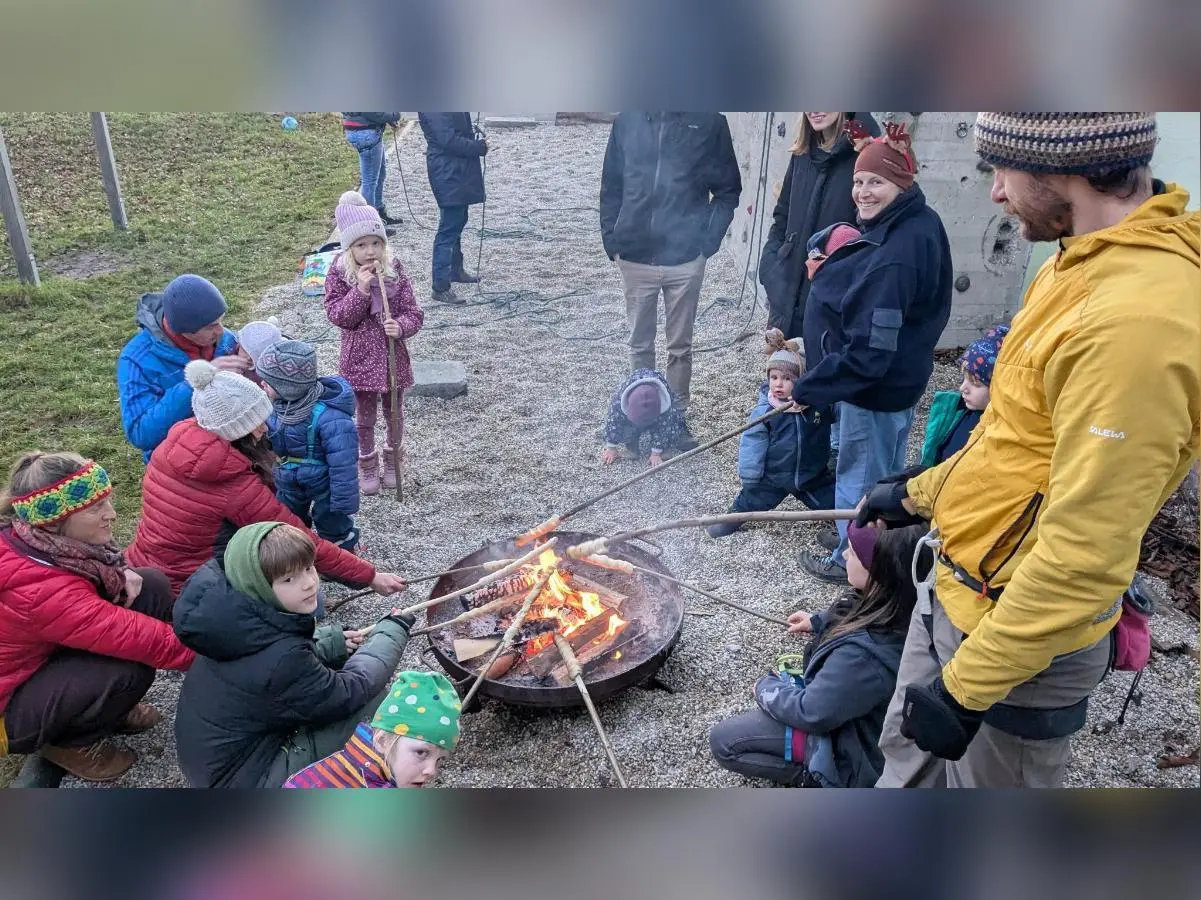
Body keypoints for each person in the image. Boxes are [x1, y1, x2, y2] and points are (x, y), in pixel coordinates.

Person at [859, 112, 1199, 789]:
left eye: (1000, 171)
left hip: (1018, 642)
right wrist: (918, 492)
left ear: (1061, 169)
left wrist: (964, 690)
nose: (993, 194)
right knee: (903, 774)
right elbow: (1013, 441)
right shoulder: (1069, 263)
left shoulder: (1137, 324)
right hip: (956, 589)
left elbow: (1083, 556)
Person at [792, 121, 953, 583]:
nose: (863, 192)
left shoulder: (896, 254)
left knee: (861, 474)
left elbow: (869, 354)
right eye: (859, 181)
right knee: (882, 472)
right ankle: (861, 535)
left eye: (876, 182)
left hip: (875, 389)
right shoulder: (916, 221)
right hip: (901, 378)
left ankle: (853, 556)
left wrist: (812, 387)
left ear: (901, 184)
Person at [125, 358, 407, 599]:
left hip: (146, 564)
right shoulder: (232, 486)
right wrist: (370, 576)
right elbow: (298, 537)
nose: (265, 427)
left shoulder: (176, 443)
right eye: (258, 421)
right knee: (305, 605)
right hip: (190, 587)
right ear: (240, 430)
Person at [0, 452, 194, 782]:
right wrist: (225, 657)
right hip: (10, 706)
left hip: (36, 662)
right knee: (129, 669)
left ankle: (105, 711)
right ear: (55, 521)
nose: (112, 515)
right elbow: (143, 639)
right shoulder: (42, 589)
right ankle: (69, 743)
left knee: (150, 586)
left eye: (108, 501)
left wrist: (120, 573)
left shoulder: (40, 543)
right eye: (95, 509)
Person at [172, 522, 413, 787]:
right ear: (259, 585)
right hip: (245, 780)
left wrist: (331, 643)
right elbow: (349, 691)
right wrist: (392, 630)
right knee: (379, 703)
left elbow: (271, 663)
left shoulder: (233, 618)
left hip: (215, 765)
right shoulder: (282, 659)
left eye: (309, 568)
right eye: (289, 579)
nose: (309, 584)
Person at [709, 524, 930, 787]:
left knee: (724, 741)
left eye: (854, 553)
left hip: (854, 748)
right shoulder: (898, 601)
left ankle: (822, 776)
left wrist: (765, 688)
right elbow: (850, 606)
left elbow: (810, 712)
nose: (845, 555)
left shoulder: (863, 658)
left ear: (879, 574)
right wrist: (818, 621)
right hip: (856, 714)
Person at [599, 112, 743, 409]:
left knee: (680, 347)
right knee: (639, 345)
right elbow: (611, 185)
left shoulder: (709, 123)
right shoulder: (627, 120)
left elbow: (728, 190)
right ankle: (642, 411)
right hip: (634, 255)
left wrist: (706, 243)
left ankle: (675, 414)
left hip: (685, 258)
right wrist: (612, 239)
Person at [323, 191, 425, 495]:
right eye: (362, 245)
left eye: (376, 243)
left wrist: (402, 327)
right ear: (349, 248)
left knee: (394, 412)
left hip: (394, 357)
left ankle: (394, 460)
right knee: (363, 418)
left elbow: (414, 312)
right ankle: (366, 463)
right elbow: (339, 316)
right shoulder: (339, 273)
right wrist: (362, 292)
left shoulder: (395, 269)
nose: (370, 251)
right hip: (359, 361)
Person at [760, 112, 881, 341]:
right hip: (785, 294)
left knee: (817, 373)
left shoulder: (865, 155)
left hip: (830, 303)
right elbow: (782, 214)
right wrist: (770, 268)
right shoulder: (803, 151)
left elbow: (872, 235)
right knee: (782, 372)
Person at [706, 329, 834, 538]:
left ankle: (841, 525)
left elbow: (838, 418)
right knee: (750, 500)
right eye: (773, 377)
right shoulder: (767, 410)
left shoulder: (818, 405)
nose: (778, 383)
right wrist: (750, 474)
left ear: (803, 380)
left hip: (812, 474)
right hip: (774, 475)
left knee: (833, 502)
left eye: (787, 378)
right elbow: (753, 440)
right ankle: (729, 521)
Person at [117, 274, 247, 461]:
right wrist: (195, 382)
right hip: (183, 456)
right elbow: (140, 434)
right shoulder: (137, 361)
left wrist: (247, 353)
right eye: (212, 326)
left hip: (232, 439)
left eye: (221, 321)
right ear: (183, 329)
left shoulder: (223, 339)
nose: (221, 331)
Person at [257, 340, 360, 551]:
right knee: (288, 521)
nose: (261, 385)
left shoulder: (330, 417)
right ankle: (299, 555)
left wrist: (343, 502)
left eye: (267, 382)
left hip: (324, 484)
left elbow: (344, 463)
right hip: (287, 479)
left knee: (331, 522)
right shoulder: (273, 408)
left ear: (288, 387)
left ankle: (342, 555)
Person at [284, 670, 461, 788]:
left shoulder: (366, 767)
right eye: (422, 752)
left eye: (440, 760)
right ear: (383, 740)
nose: (431, 771)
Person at [417, 112, 487, 305]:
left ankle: (455, 270)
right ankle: (440, 286)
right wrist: (478, 147)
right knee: (449, 227)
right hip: (447, 169)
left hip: (455, 168)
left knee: (459, 219)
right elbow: (447, 140)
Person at [919, 324, 1008, 468]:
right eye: (964, 378)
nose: (962, 388)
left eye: (976, 383)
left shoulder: (999, 435)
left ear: (999, 388)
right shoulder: (957, 411)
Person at [600, 369, 698, 469]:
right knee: (625, 425)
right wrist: (611, 447)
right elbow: (613, 423)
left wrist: (656, 453)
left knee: (670, 424)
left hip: (658, 410)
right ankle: (631, 446)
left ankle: (663, 447)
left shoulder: (665, 405)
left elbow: (665, 426)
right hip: (632, 403)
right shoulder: (619, 402)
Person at [341, 112, 403, 229]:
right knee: (370, 181)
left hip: (359, 130)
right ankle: (371, 224)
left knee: (380, 173)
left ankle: (379, 212)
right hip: (368, 132)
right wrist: (394, 115)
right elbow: (374, 113)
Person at [234, 316, 283, 385]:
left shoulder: (263, 375)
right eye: (245, 351)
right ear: (239, 345)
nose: (248, 358)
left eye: (252, 359)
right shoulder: (229, 352)